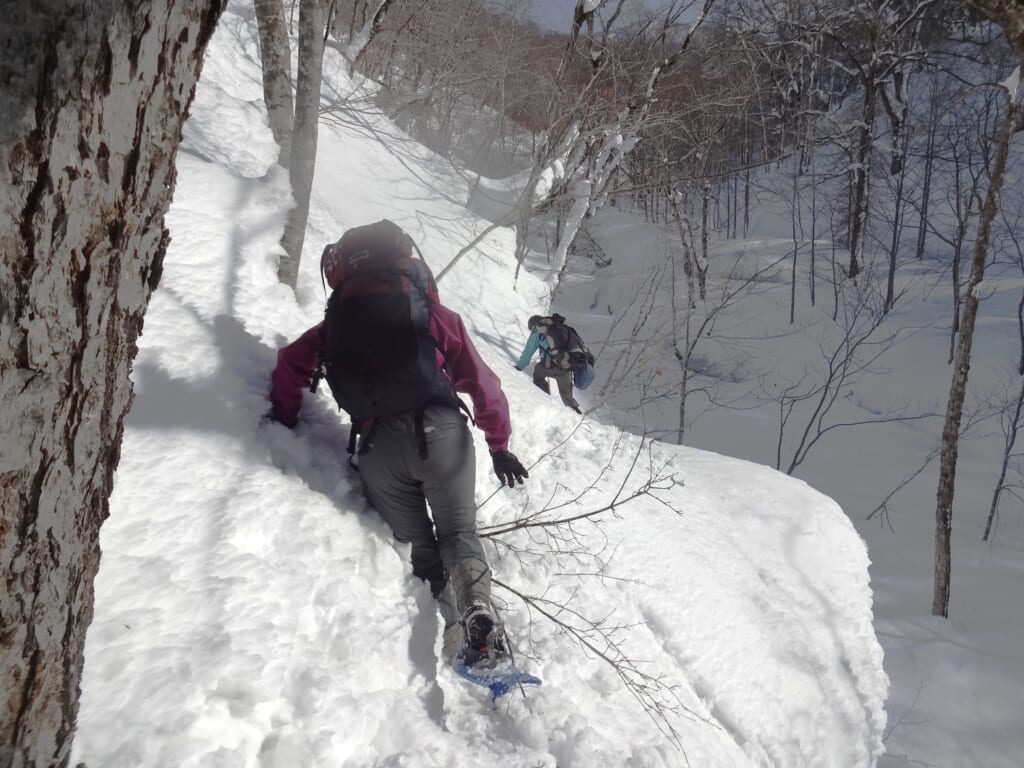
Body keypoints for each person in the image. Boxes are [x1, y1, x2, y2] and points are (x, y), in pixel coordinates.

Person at [269, 222, 528, 668]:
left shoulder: (335, 325)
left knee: (420, 547)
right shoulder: (432, 316)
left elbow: (289, 364)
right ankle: (476, 613)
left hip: (378, 449)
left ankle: (445, 624)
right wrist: (499, 445)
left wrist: (284, 420)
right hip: (442, 433)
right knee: (459, 533)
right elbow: (484, 385)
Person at [514, 313, 587, 415]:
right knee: (568, 399)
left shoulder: (536, 333)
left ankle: (544, 399)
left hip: (551, 367)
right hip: (567, 368)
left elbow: (527, 353)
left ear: (534, 326)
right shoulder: (560, 328)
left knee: (538, 372)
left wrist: (518, 367)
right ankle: (578, 416)